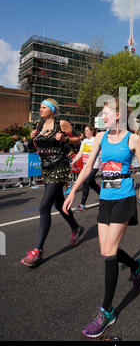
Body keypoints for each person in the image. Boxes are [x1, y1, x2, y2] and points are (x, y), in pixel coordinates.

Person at [63, 98, 140, 339]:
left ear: (118, 115)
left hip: (124, 197)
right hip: (106, 198)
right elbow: (88, 168)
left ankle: (106, 312)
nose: (102, 116)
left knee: (109, 252)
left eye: (105, 113)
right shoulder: (99, 137)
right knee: (106, 251)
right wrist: (73, 190)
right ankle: (137, 265)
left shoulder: (133, 139)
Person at [20, 99, 83, 268]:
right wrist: (33, 139)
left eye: (43, 107)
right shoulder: (39, 125)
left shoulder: (61, 123)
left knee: (44, 207)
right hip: (46, 168)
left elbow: (78, 140)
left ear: (52, 109)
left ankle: (38, 250)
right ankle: (76, 227)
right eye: (39, 106)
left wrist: (65, 139)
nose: (39, 109)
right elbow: (36, 148)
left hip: (60, 167)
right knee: (58, 202)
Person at [71, 125, 101, 211]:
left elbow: (100, 152)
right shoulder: (84, 141)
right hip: (86, 166)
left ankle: (82, 205)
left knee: (86, 182)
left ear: (92, 131)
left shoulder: (95, 140)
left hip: (94, 165)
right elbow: (80, 153)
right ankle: (105, 198)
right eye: (85, 130)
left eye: (87, 130)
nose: (85, 132)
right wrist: (73, 161)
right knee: (92, 184)